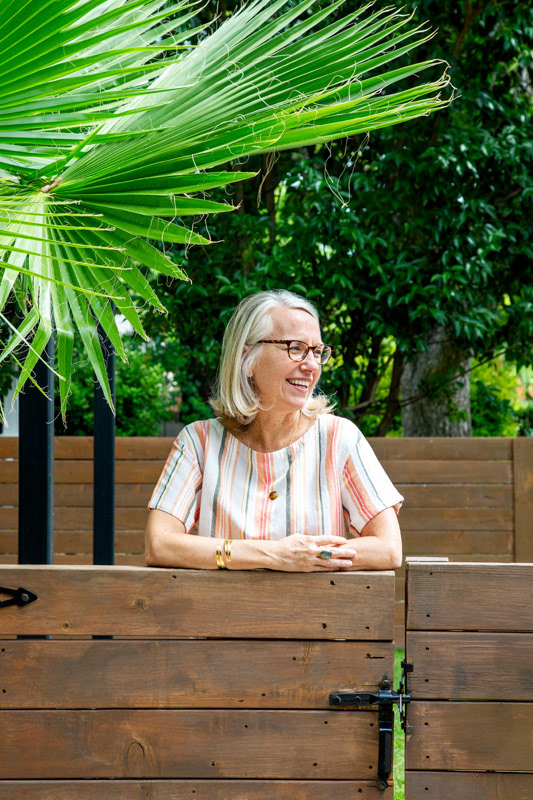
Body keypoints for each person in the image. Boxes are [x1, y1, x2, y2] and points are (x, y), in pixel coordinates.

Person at [146, 290, 403, 572]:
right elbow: (159, 544)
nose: (312, 365)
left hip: (317, 604)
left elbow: (388, 548)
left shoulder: (339, 438)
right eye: (296, 348)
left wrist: (310, 557)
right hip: (221, 603)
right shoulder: (199, 442)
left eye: (318, 352)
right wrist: (274, 555)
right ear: (247, 358)